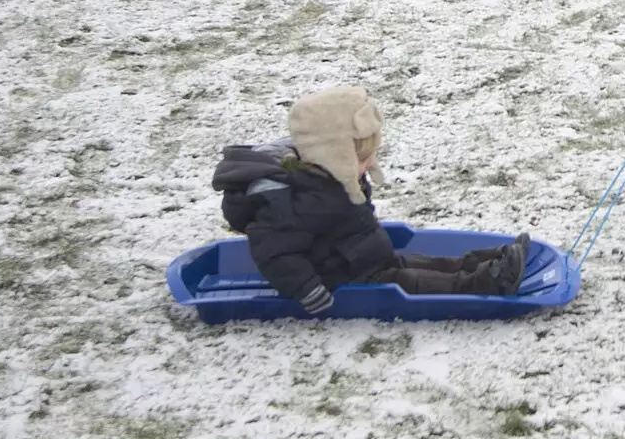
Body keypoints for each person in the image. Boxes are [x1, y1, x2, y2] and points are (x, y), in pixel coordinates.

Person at [212, 85, 529, 314]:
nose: (368, 164)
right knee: (419, 282)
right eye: (362, 158)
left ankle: (494, 260)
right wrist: (306, 289)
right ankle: (490, 282)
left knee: (429, 264)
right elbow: (274, 253)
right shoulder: (294, 202)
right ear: (332, 154)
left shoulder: (331, 176)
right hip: (348, 278)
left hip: (368, 258)